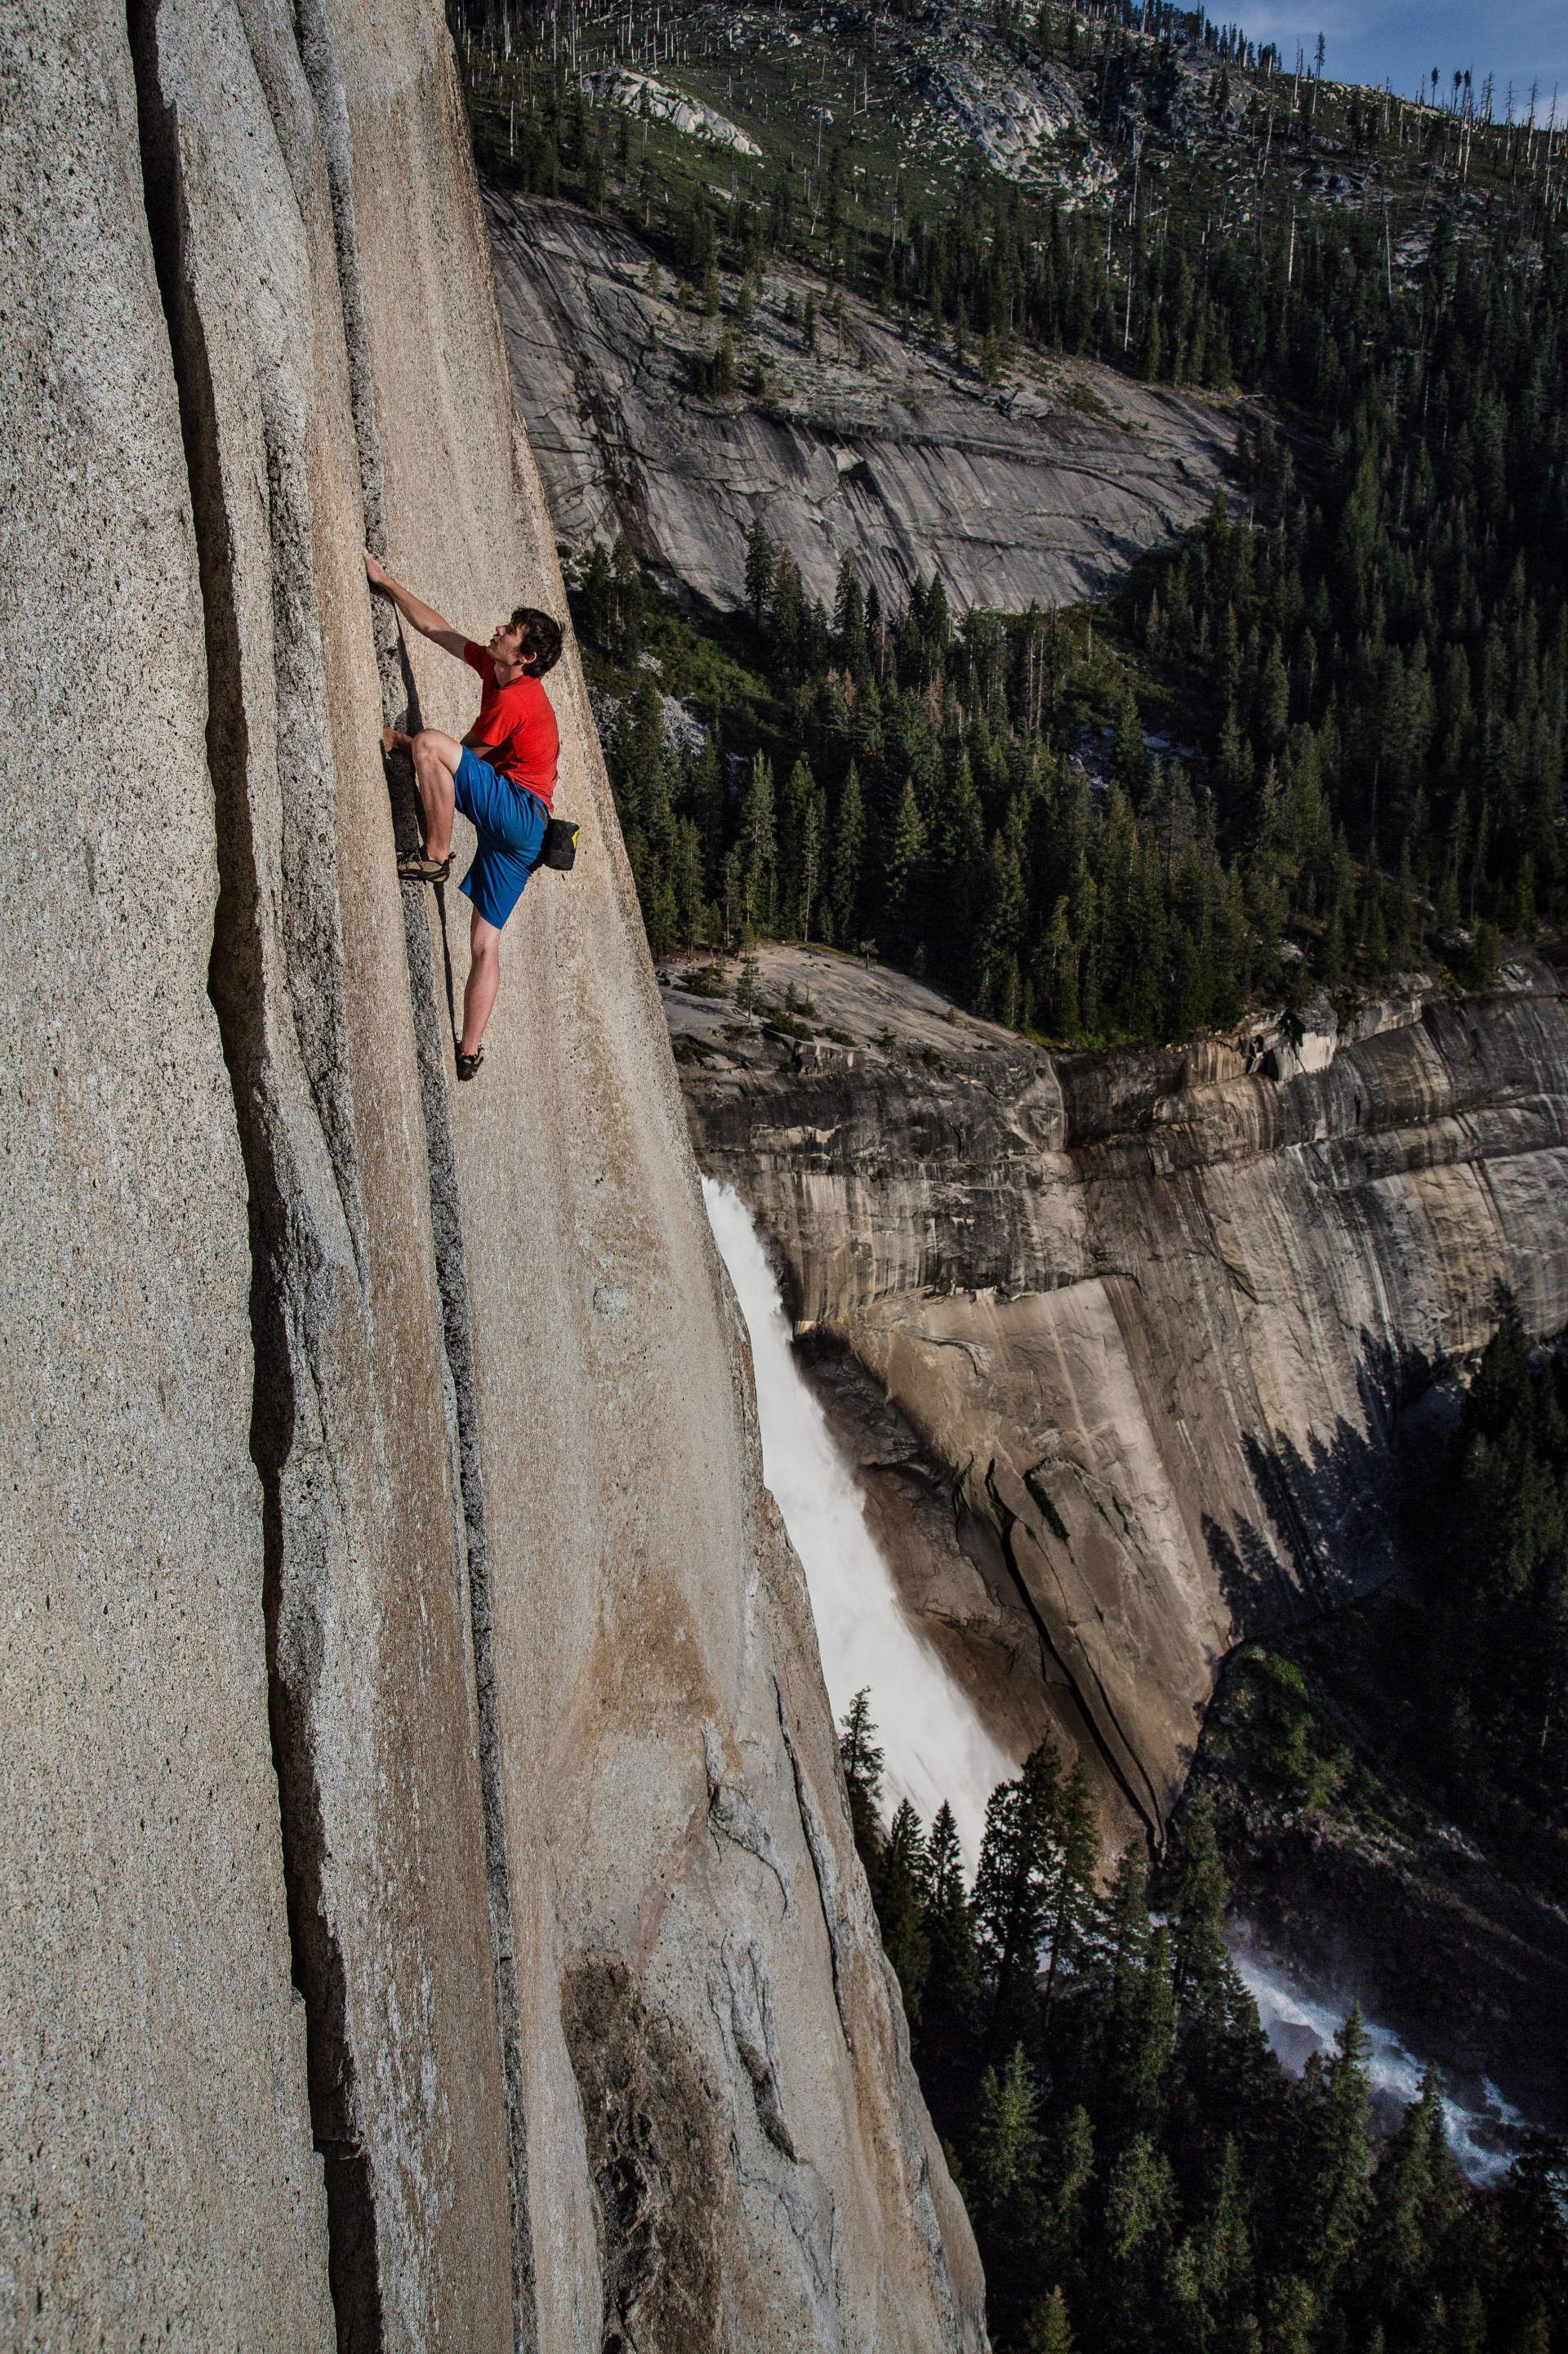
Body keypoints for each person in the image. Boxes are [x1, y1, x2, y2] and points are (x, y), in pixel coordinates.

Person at [364, 549, 564, 1080]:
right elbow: (439, 630)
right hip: (530, 833)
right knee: (485, 942)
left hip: (519, 814)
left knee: (429, 743)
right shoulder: (498, 669)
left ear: (524, 658)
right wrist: (387, 582)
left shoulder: (515, 700)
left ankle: (434, 855)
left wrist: (398, 742)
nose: (500, 630)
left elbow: (458, 757)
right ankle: (470, 1049)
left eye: (512, 631)